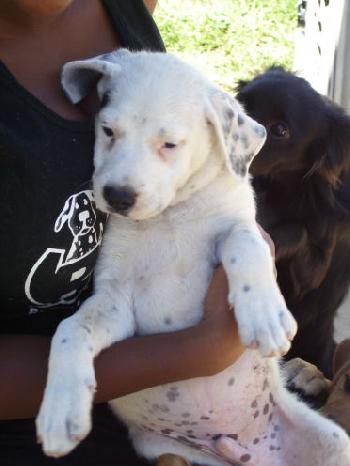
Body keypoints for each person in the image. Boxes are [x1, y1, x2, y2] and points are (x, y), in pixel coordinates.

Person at [0, 1, 250, 465]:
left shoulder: (121, 7)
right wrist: (200, 349)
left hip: (193, 382)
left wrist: (243, 239)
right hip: (36, 420)